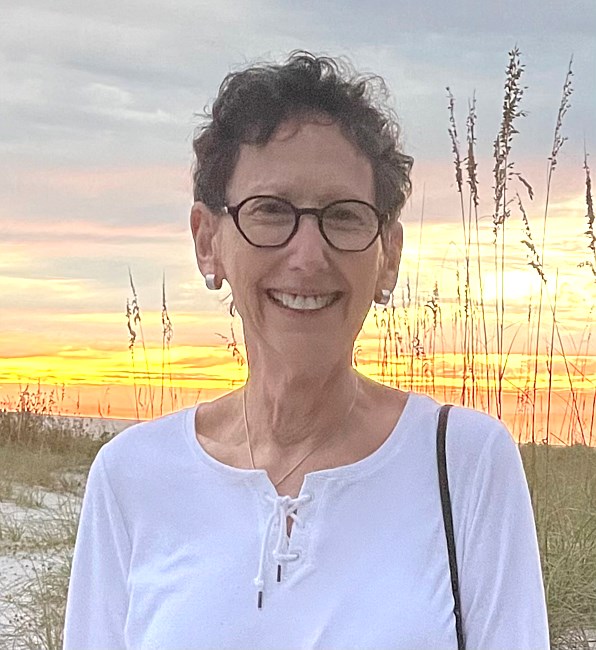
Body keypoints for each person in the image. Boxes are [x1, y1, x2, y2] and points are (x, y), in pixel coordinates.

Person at [63, 51, 549, 650]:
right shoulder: (132, 476)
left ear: (388, 256)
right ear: (207, 241)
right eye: (271, 211)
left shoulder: (465, 463)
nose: (309, 255)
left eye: (344, 216)